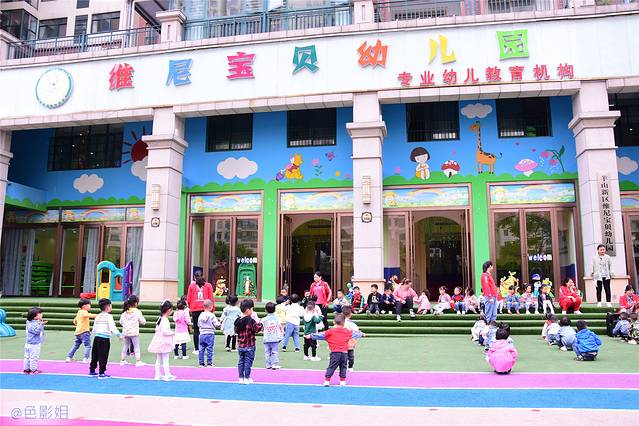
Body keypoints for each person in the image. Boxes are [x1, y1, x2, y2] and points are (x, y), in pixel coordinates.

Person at [311, 313, 363, 387]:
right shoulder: (347, 331)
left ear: (334, 322)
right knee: (343, 367)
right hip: (344, 353)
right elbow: (355, 334)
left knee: (331, 367)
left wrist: (311, 336)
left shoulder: (330, 331)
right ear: (344, 323)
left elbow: (321, 335)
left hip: (335, 353)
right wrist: (361, 334)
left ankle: (327, 381)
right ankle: (342, 381)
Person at [90, 298, 123, 379]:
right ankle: (101, 373)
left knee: (95, 355)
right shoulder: (109, 317)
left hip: (97, 338)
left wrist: (93, 335)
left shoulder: (98, 316)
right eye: (111, 306)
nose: (111, 307)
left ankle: (92, 370)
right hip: (104, 339)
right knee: (103, 355)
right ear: (108, 307)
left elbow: (94, 327)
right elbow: (112, 327)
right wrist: (119, 334)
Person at [235, 299, 263, 384]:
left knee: (241, 362)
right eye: (252, 309)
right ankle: (247, 378)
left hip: (240, 345)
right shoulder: (251, 321)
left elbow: (236, 331)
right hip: (249, 345)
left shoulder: (237, 320)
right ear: (248, 310)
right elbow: (257, 329)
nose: (252, 311)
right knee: (248, 362)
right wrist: (260, 322)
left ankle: (241, 378)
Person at [186, 271, 214, 354]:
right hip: (205, 309)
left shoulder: (192, 286)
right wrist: (212, 309)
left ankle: (197, 349)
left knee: (196, 330)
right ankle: (206, 348)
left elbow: (188, 299)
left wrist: (190, 308)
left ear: (194, 277)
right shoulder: (208, 285)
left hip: (195, 309)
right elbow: (211, 298)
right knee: (206, 329)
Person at [148, 300, 175, 380]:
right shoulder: (165, 320)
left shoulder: (160, 319)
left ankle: (158, 375)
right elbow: (164, 332)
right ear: (168, 310)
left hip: (158, 341)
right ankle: (167, 375)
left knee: (159, 359)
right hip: (164, 342)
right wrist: (172, 332)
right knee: (165, 359)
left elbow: (157, 329)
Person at [66, 298, 96, 363]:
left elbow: (74, 321)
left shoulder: (79, 312)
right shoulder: (84, 311)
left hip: (78, 332)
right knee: (87, 345)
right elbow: (87, 315)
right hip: (84, 332)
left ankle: (69, 357)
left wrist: (78, 324)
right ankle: (86, 358)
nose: (90, 306)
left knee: (76, 345)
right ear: (84, 306)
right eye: (89, 305)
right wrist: (96, 316)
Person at [119, 295, 146, 366]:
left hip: (126, 332)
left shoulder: (125, 312)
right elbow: (143, 322)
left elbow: (120, 322)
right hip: (134, 332)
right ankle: (138, 361)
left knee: (125, 346)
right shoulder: (137, 312)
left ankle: (122, 360)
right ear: (136, 303)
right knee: (136, 346)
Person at [197, 299, 220, 367]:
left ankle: (201, 363)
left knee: (201, 349)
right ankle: (209, 363)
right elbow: (216, 324)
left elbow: (198, 324)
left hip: (202, 334)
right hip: (210, 334)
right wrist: (220, 323)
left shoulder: (201, 315)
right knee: (210, 349)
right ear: (211, 307)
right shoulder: (212, 315)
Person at [24, 307, 46, 374]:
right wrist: (41, 325)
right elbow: (36, 331)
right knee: (34, 357)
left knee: (27, 357)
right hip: (34, 343)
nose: (41, 314)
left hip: (28, 343)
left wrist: (40, 323)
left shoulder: (29, 322)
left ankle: (26, 369)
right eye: (40, 313)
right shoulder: (33, 323)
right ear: (34, 316)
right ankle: (33, 369)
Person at [261, 301, 283, 369]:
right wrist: (281, 335)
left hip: (267, 338)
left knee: (267, 352)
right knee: (275, 352)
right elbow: (280, 327)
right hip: (275, 338)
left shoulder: (264, 319)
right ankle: (274, 364)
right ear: (275, 310)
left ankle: (268, 365)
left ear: (265, 310)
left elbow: (261, 328)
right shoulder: (277, 318)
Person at [591, 244, 613, 308]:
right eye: (601, 250)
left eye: (603, 249)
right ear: (598, 250)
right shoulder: (594, 258)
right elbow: (592, 266)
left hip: (606, 275)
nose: (602, 251)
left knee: (607, 289)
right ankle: (599, 302)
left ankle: (608, 302)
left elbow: (610, 266)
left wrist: (611, 274)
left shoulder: (608, 257)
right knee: (598, 289)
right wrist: (592, 275)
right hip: (598, 276)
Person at [342, 306, 359, 372]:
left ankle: (345, 367)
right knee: (350, 356)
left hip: (342, 342)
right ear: (350, 314)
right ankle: (350, 367)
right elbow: (356, 332)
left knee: (344, 356)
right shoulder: (352, 324)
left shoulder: (339, 323)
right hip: (349, 342)